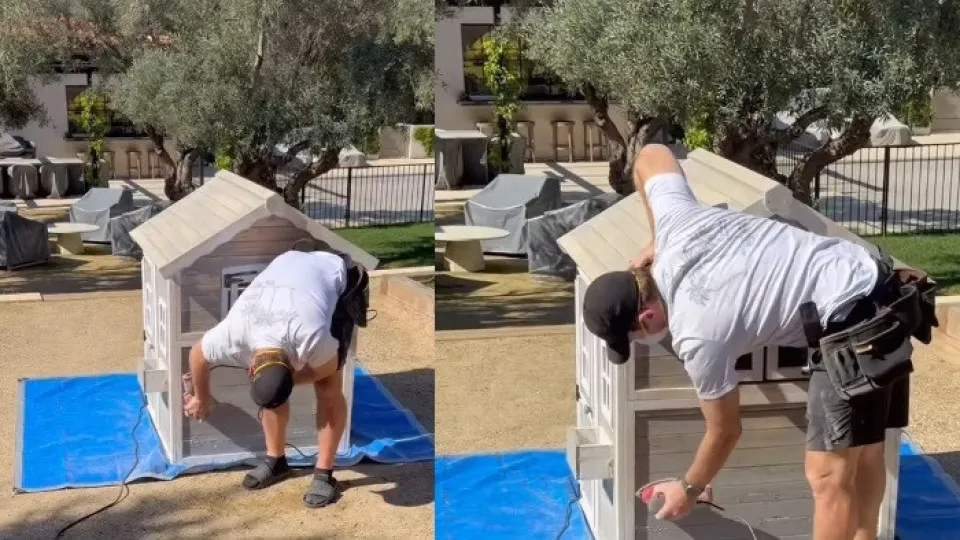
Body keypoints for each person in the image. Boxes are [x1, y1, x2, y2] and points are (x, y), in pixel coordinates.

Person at [581, 144, 937, 540]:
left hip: (854, 325)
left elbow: (725, 430)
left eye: (633, 337)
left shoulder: (695, 335)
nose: (639, 341)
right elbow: (651, 154)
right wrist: (656, 238)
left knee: (827, 475)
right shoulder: (677, 222)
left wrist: (689, 488)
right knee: (865, 449)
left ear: (646, 317)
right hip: (877, 281)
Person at [183, 247, 369, 508]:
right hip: (290, 262)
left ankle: (324, 474)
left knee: (328, 388)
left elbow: (329, 366)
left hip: (335, 271)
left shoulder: (314, 338)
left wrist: (288, 382)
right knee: (271, 391)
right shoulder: (232, 335)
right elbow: (197, 354)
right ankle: (276, 461)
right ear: (251, 367)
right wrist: (201, 398)